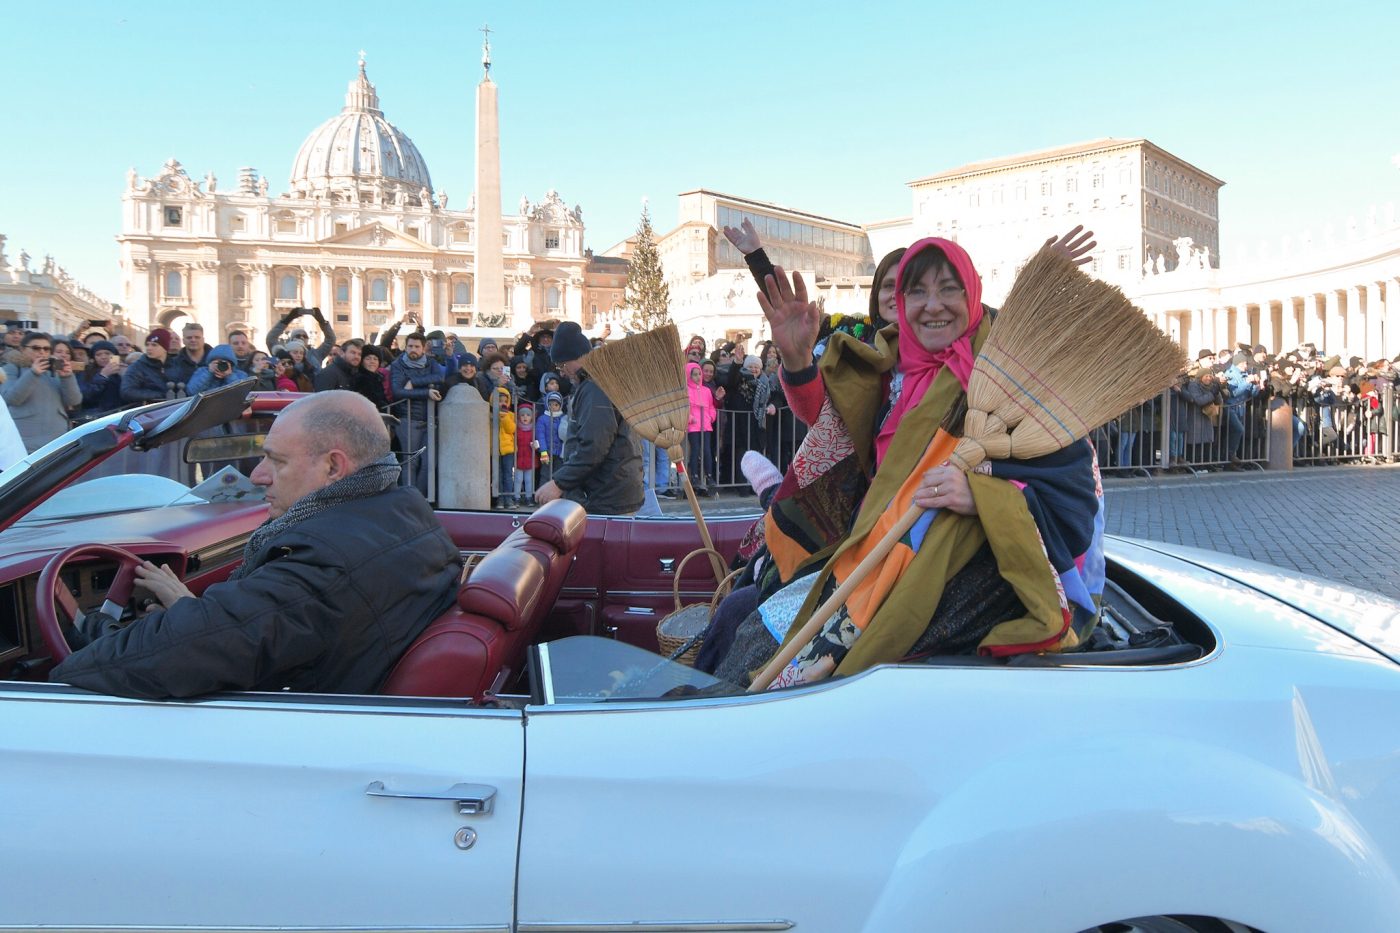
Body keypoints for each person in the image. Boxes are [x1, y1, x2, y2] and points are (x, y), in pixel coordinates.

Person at [703, 232, 1104, 687]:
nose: (933, 304)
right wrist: (797, 362)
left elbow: (1072, 501)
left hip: (963, 577)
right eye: (916, 290)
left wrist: (983, 497)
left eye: (949, 288)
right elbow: (835, 431)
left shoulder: (1011, 377)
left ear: (972, 293)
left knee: (794, 674)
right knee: (751, 627)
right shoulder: (885, 363)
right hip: (867, 548)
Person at [50, 392, 463, 700]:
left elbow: (150, 658)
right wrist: (189, 609)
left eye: (277, 461)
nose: (258, 476)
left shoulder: (320, 566)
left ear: (334, 466)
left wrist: (91, 634)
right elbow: (243, 627)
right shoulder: (404, 514)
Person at [534, 320, 643, 515]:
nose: (562, 372)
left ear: (575, 358)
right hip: (611, 490)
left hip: (607, 495)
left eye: (562, 365)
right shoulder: (599, 382)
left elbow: (595, 445)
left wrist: (559, 483)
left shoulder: (594, 388)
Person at [1, 331, 83, 453]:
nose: (42, 352)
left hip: (57, 441)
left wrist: (67, 377)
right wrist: (33, 373)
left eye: (46, 349)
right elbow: (12, 398)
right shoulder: (11, 368)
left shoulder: (54, 371)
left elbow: (74, 401)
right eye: (36, 348)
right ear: (23, 349)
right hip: (24, 442)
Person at [388, 333, 444, 496]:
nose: (413, 349)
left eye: (417, 346)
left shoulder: (431, 363)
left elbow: (439, 377)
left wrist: (414, 382)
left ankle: (420, 497)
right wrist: (426, 392)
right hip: (407, 419)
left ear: (423, 348)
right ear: (405, 347)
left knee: (429, 462)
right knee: (411, 461)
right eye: (410, 346)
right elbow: (398, 391)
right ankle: (409, 498)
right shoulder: (398, 364)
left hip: (429, 419)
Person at [121, 328, 179, 404]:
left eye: (154, 345)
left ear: (165, 348)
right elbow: (127, 391)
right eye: (147, 344)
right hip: (147, 411)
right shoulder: (137, 367)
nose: (149, 348)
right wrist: (160, 396)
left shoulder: (176, 365)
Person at [686, 360, 717, 495]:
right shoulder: (686, 390)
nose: (698, 377)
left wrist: (711, 417)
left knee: (707, 451)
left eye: (699, 374)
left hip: (706, 425)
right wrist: (689, 418)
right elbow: (685, 407)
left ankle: (709, 476)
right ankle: (695, 475)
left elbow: (711, 407)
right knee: (695, 449)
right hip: (693, 426)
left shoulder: (706, 391)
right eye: (695, 374)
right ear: (688, 376)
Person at [266, 307, 335, 367]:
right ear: (291, 339)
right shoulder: (282, 353)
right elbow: (271, 339)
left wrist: (322, 321)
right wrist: (288, 319)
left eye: (305, 336)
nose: (301, 338)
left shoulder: (316, 354)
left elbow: (330, 340)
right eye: (298, 336)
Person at [186, 344, 255, 396]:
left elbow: (242, 393)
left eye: (224, 362)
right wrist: (209, 373)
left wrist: (229, 376)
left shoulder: (240, 374)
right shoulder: (201, 371)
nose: (220, 365)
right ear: (211, 362)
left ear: (231, 363)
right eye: (217, 362)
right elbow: (192, 391)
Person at [80, 339, 125, 416]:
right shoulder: (86, 373)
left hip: (119, 415)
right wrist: (103, 376)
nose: (103, 357)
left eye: (107, 353)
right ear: (93, 358)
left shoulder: (123, 371)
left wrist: (124, 375)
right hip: (96, 417)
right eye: (98, 354)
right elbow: (86, 396)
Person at [163, 322, 210, 389]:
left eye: (197, 337)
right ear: (183, 340)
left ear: (203, 339)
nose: (193, 340)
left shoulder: (214, 361)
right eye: (189, 338)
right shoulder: (173, 364)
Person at [536, 391, 565, 483]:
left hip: (560, 452)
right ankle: (543, 496)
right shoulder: (542, 419)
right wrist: (543, 451)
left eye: (556, 405)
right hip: (547, 452)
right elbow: (540, 436)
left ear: (560, 406)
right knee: (545, 475)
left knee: (559, 475)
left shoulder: (563, 418)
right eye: (551, 404)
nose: (553, 407)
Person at [514, 400, 538, 506]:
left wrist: (536, 446)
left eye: (528, 415)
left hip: (530, 458)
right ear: (518, 416)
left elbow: (537, 441)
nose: (525, 417)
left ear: (532, 417)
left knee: (529, 480)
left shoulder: (534, 430)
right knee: (518, 479)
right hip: (518, 458)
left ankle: (529, 498)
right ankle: (516, 497)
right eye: (522, 415)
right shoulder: (516, 429)